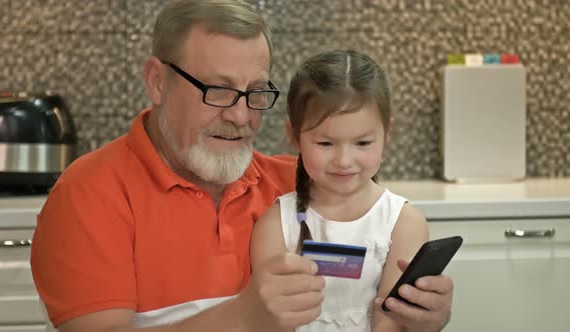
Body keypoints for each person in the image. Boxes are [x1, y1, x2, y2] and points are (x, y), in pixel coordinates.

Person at [30, 1, 453, 332]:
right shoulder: (88, 194)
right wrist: (242, 318)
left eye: (254, 92)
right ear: (158, 81)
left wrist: (422, 318)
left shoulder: (302, 184)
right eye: (218, 90)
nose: (240, 116)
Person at [250, 49, 445, 332]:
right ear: (294, 136)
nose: (343, 160)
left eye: (362, 143)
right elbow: (270, 322)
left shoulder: (404, 223)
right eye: (325, 144)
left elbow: (389, 322)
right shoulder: (275, 225)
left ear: (386, 134)